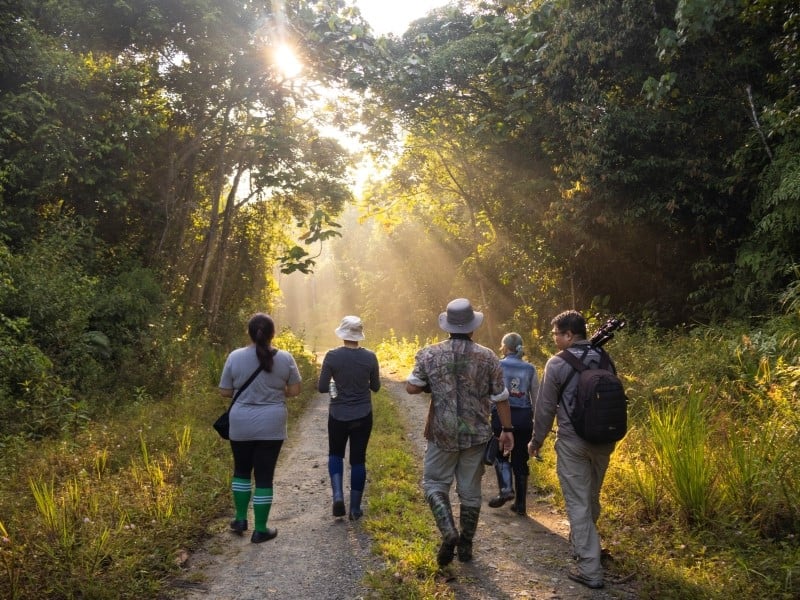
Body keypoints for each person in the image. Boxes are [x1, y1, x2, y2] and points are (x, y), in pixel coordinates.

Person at [406, 298, 514, 567]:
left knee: (434, 484)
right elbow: (500, 396)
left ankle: (448, 531)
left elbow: (412, 388)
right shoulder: (488, 356)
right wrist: (507, 430)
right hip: (476, 435)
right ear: (472, 328)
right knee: (470, 492)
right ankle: (465, 547)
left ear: (447, 326)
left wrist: (432, 384)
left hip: (441, 433)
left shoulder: (428, 354)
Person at [528, 310, 617, 589]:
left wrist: (536, 440)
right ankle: (586, 545)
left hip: (572, 442)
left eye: (556, 333)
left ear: (569, 334)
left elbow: (544, 407)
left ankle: (590, 568)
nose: (554, 338)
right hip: (604, 440)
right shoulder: (605, 358)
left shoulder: (557, 363)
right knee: (590, 498)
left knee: (578, 503)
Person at [218, 313, 302, 543]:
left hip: (240, 422)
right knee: (264, 476)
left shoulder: (235, 356)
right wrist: (275, 392)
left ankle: (240, 519)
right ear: (273, 334)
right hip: (271, 424)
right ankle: (261, 529)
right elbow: (294, 391)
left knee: (241, 470)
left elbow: (225, 391)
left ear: (250, 333)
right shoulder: (285, 358)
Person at [318, 315, 381, 520]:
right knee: (358, 459)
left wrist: (335, 387)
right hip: (363, 414)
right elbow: (376, 387)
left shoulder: (332, 356)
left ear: (343, 333)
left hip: (337, 414)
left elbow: (321, 387)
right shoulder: (370, 357)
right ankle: (354, 508)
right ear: (359, 335)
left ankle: (337, 495)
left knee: (336, 454)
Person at [487, 332, 538, 515]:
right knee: (520, 458)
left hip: (501, 417)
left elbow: (490, 394)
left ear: (505, 347)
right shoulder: (530, 369)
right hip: (524, 419)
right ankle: (521, 505)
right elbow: (536, 398)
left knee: (500, 454)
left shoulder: (497, 365)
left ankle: (506, 489)